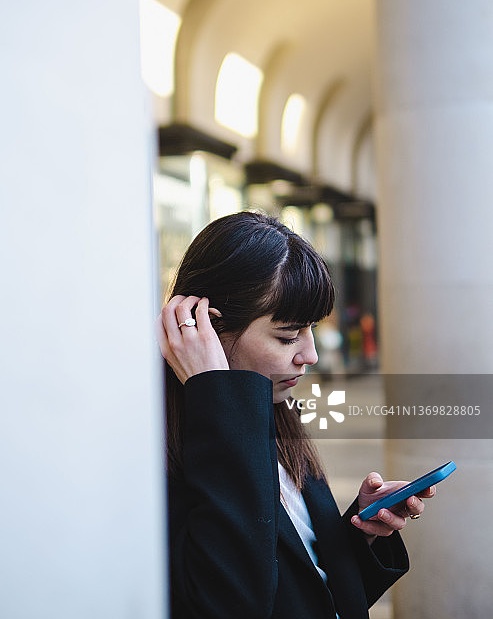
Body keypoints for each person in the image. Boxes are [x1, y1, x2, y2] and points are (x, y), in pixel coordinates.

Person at [156, 211, 435, 619]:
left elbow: (308, 587)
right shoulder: (162, 447)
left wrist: (360, 534)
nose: (311, 355)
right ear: (210, 329)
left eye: (310, 330)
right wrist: (217, 397)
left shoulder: (274, 409)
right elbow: (231, 600)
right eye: (287, 336)